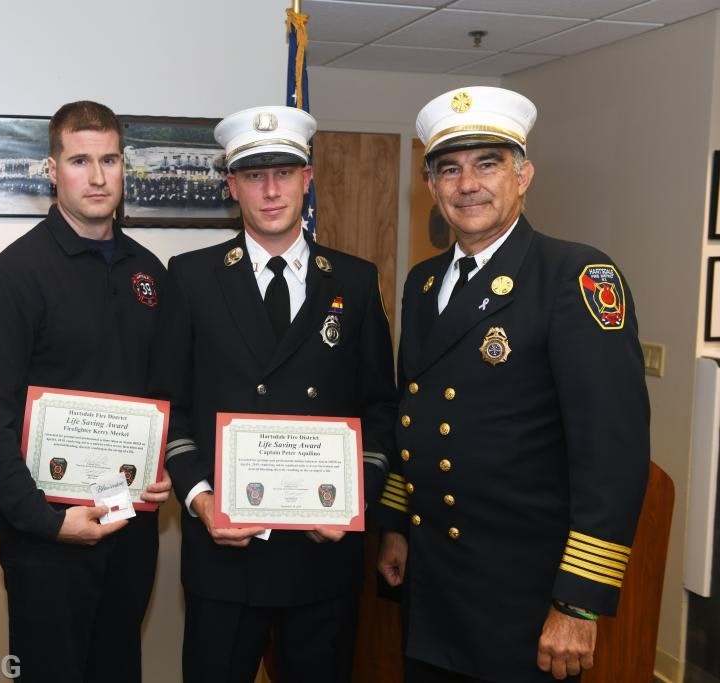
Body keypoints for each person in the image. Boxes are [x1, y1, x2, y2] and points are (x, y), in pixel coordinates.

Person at [375, 86, 650, 682]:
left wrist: (579, 602)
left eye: (487, 164)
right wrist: (396, 524)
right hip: (434, 589)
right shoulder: (424, 284)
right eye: (449, 169)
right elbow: (412, 414)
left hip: (526, 601)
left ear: (524, 176)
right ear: (431, 186)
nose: (467, 184)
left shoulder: (574, 276)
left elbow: (613, 456)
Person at [149, 105, 398, 683]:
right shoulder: (190, 277)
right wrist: (200, 498)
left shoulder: (356, 281)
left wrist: (355, 495)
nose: (269, 190)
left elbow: (379, 404)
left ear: (307, 180)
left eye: (283, 173)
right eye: (254, 176)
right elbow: (170, 402)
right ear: (231, 185)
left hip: (323, 550)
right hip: (226, 551)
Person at [0, 100, 172, 683]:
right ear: (52, 170)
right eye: (80, 160)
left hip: (128, 521)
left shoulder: (150, 272)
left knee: (118, 665)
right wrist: (49, 524)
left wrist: (167, 463)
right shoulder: (12, 277)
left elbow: (163, 392)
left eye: (109, 160)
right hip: (48, 534)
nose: (98, 177)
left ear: (125, 166)